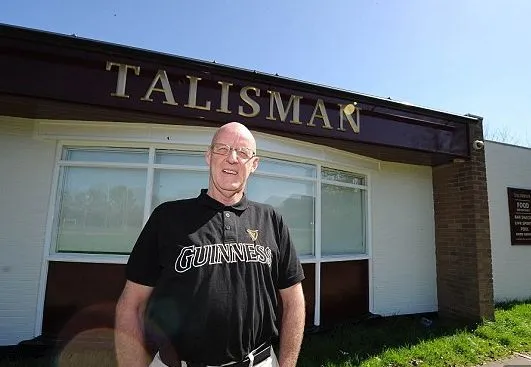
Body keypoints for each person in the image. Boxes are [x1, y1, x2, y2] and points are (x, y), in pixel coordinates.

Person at [115, 122, 306, 367]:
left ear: (254, 165)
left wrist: (287, 365)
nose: (232, 158)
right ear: (208, 156)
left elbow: (294, 301)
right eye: (222, 149)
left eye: (243, 152)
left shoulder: (271, 220)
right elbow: (131, 305)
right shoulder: (167, 218)